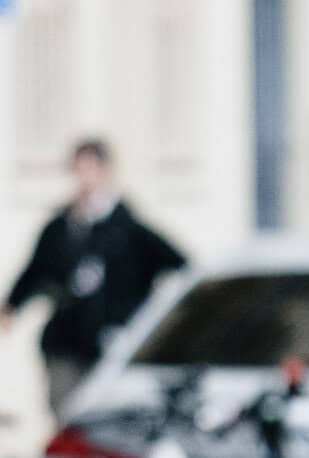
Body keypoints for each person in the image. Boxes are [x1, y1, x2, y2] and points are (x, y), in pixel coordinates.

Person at [2, 139, 186, 417]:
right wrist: (12, 306)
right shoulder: (61, 228)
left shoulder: (129, 229)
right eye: (78, 170)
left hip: (111, 343)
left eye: (89, 169)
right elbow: (35, 270)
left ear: (104, 171)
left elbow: (179, 264)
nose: (83, 178)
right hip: (67, 341)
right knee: (66, 412)